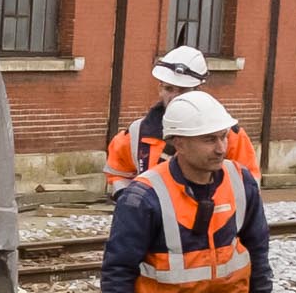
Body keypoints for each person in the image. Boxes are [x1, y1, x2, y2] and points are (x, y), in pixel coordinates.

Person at [101, 89, 281, 293]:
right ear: (179, 143)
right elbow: (118, 268)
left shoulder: (240, 182)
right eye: (209, 139)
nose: (221, 148)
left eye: (223, 137)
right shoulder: (144, 198)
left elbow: (257, 248)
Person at [102, 42, 257, 188]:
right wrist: (129, 199)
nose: (174, 97)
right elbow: (118, 172)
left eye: (182, 90)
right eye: (169, 89)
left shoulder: (228, 133)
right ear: (160, 89)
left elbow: (247, 184)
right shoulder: (138, 132)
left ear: (198, 89)